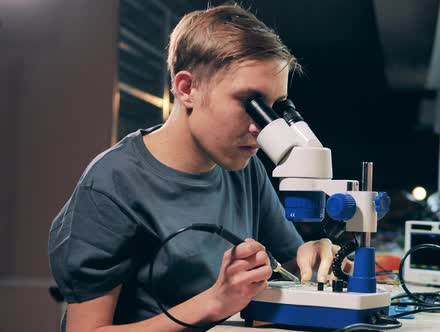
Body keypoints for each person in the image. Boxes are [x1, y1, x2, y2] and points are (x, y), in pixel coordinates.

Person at [48, 4, 349, 331]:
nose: (261, 128)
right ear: (186, 88)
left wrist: (314, 256)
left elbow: (290, 266)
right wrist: (214, 302)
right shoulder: (111, 185)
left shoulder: (245, 168)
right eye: (251, 103)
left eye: (276, 109)